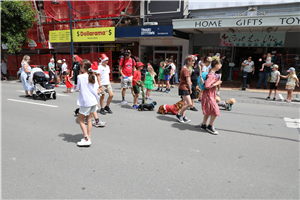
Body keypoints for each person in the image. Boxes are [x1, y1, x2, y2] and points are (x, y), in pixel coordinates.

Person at [76, 59, 101, 147]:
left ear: (83, 67)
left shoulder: (80, 77)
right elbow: (96, 89)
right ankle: (88, 137)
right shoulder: (92, 75)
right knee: (89, 119)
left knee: (80, 119)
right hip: (93, 100)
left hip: (86, 102)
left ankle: (86, 139)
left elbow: (78, 88)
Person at [199, 56, 222, 135]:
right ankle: (210, 126)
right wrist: (217, 83)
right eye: (220, 64)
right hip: (209, 95)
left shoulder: (211, 73)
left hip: (210, 95)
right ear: (216, 65)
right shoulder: (211, 74)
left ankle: (204, 124)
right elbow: (207, 86)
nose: (221, 66)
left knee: (208, 111)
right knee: (215, 111)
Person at [176, 55, 194, 123]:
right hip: (184, 87)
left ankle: (182, 116)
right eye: (192, 61)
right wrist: (190, 89)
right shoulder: (186, 69)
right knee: (189, 103)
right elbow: (188, 81)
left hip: (183, 87)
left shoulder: (185, 68)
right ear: (188, 61)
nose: (193, 62)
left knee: (185, 103)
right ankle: (179, 114)